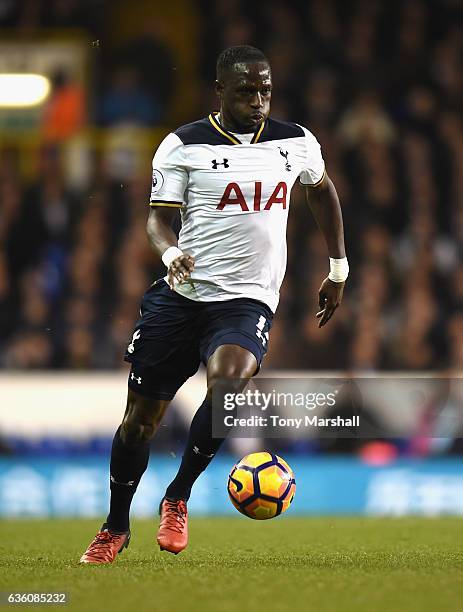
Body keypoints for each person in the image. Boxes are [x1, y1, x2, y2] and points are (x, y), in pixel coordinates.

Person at [80, 45, 348, 564]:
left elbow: (322, 192)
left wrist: (338, 266)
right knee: (140, 423)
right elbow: (157, 217)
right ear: (220, 91)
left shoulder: (296, 141)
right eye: (246, 90)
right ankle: (115, 526)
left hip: (246, 301)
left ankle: (177, 496)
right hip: (182, 298)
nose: (258, 100)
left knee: (228, 386)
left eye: (265, 89)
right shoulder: (184, 145)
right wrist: (171, 249)